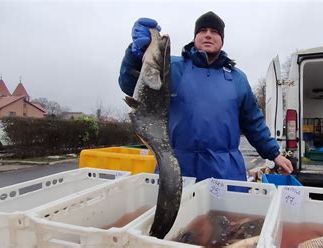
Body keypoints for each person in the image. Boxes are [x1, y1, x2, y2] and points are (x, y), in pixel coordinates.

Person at [119, 11, 293, 181]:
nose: (208, 35)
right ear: (195, 37)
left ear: (222, 40)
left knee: (227, 211)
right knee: (177, 211)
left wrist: (275, 153)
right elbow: (132, 86)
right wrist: (135, 55)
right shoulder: (171, 67)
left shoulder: (237, 78)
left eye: (215, 32)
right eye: (203, 31)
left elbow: (253, 122)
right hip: (177, 169)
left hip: (226, 171)